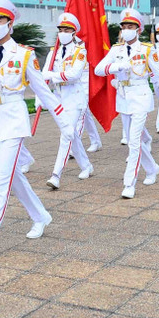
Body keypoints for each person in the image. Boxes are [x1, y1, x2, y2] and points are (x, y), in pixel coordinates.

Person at [0, 0, 74, 266]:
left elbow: (43, 90)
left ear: (10, 24)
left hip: (13, 119)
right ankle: (41, 216)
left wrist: (65, 123)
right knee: (13, 177)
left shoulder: (24, 54)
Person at [94, 8, 159, 196]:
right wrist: (117, 66)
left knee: (134, 141)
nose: (126, 29)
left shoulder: (147, 50)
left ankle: (129, 184)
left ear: (138, 29)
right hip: (124, 97)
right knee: (134, 140)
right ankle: (152, 169)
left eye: (131, 26)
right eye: (124, 26)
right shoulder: (116, 50)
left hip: (141, 96)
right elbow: (99, 70)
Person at [42, 12, 94, 189]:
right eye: (61, 29)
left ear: (74, 33)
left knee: (66, 135)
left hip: (74, 97)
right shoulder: (53, 52)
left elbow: (74, 75)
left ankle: (56, 175)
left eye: (67, 30)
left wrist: (53, 76)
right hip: (59, 98)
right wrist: (41, 96)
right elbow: (43, 75)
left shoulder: (80, 51)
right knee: (72, 135)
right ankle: (86, 166)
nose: (63, 32)